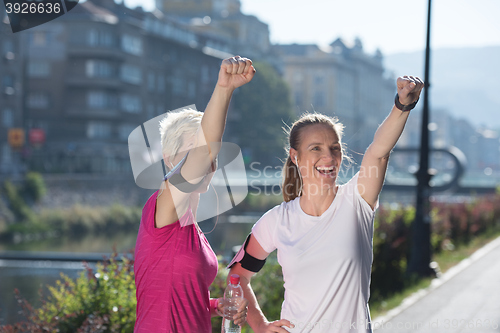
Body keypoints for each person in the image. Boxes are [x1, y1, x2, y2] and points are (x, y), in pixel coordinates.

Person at [227, 76, 424, 333]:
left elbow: (379, 151)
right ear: (295, 156)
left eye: (334, 147)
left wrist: (402, 105)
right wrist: (261, 326)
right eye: (316, 148)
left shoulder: (358, 201)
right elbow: (237, 277)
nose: (328, 157)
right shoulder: (277, 220)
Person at [134, 56, 255, 332]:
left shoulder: (190, 225)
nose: (207, 163)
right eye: (190, 154)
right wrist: (224, 88)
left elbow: (182, 296)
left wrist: (216, 306)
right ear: (168, 160)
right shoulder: (163, 205)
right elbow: (205, 152)